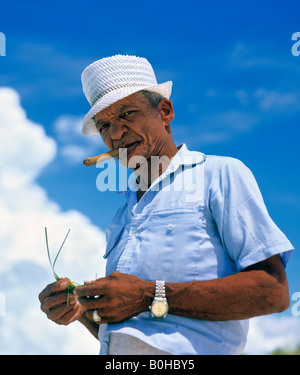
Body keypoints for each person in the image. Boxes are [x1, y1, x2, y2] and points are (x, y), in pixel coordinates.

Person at [39, 55, 294, 355]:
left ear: (165, 111)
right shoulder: (125, 212)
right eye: (104, 125)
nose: (116, 134)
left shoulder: (220, 174)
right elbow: (139, 334)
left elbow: (273, 292)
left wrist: (147, 295)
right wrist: (82, 310)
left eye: (127, 114)